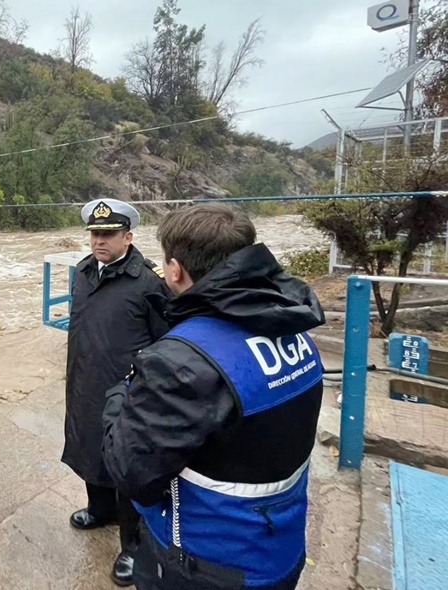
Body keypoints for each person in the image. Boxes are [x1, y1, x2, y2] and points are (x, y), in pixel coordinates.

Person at [102, 203, 326, 590]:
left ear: (174, 270)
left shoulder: (182, 362)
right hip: (280, 549)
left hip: (203, 562)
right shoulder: (295, 331)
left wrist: (123, 393)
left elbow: (129, 470)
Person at [62, 198, 170, 587]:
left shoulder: (148, 281)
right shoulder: (84, 271)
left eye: (107, 234)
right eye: (94, 233)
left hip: (127, 391)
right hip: (85, 381)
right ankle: (99, 510)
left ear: (128, 236)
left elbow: (166, 340)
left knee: (127, 465)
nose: (98, 241)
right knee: (90, 446)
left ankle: (133, 546)